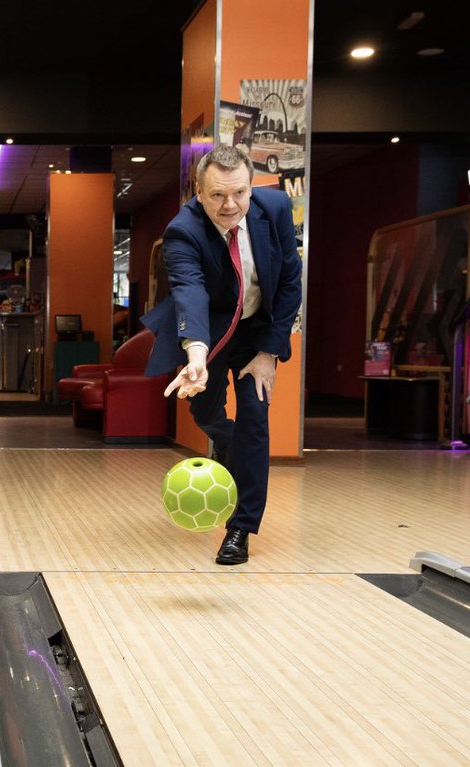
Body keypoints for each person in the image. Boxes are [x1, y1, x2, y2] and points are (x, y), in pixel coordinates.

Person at [141, 145, 303, 565]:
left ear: (251, 187)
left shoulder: (276, 208)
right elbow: (189, 292)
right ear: (199, 191)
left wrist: (270, 351)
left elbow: (289, 282)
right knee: (206, 414)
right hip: (211, 330)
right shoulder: (183, 231)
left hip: (257, 332)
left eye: (239, 194)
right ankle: (226, 445)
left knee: (255, 418)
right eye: (217, 195)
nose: (230, 205)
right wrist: (196, 355)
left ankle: (241, 528)